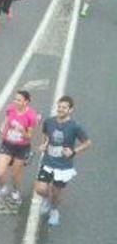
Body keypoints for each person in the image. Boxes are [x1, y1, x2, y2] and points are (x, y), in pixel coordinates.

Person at [33, 96, 92, 227]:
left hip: (63, 166)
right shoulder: (49, 121)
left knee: (56, 192)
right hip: (48, 161)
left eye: (64, 107)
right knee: (40, 188)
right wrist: (44, 144)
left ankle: (54, 211)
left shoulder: (75, 126)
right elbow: (45, 135)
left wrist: (74, 151)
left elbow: (88, 143)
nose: (60, 109)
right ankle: (47, 200)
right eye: (59, 106)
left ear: (70, 110)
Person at [0, 91, 39, 204]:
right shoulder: (10, 109)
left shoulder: (31, 116)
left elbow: (29, 136)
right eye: (15, 99)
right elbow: (6, 120)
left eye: (19, 100)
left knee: (15, 175)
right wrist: (3, 126)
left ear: (26, 102)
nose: (16, 102)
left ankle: (16, 192)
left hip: (21, 148)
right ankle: (2, 188)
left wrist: (22, 131)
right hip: (7, 144)